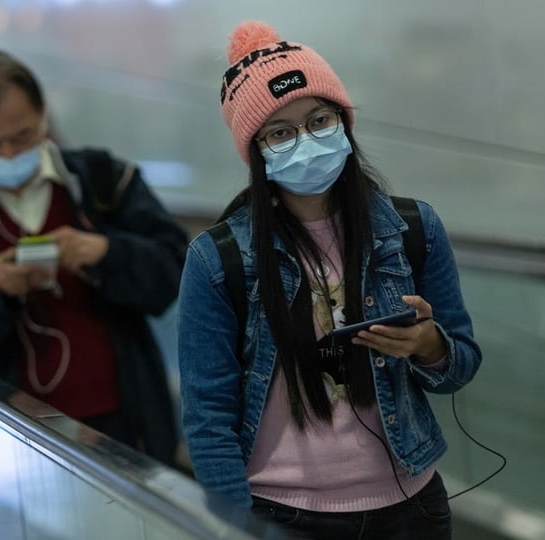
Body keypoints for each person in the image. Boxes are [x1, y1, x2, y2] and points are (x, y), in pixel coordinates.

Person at [177, 21, 481, 539]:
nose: (307, 142)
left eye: (320, 119)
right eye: (280, 132)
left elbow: (460, 367)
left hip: (412, 509)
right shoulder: (217, 260)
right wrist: (232, 527)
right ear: (256, 152)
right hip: (281, 514)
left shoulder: (412, 230)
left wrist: (429, 344)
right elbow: (209, 422)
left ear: (344, 122)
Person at [0, 50, 186, 465]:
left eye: (24, 137)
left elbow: (176, 270)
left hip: (123, 423)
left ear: (44, 115)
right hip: (5, 433)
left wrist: (108, 253)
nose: (10, 155)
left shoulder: (102, 180)